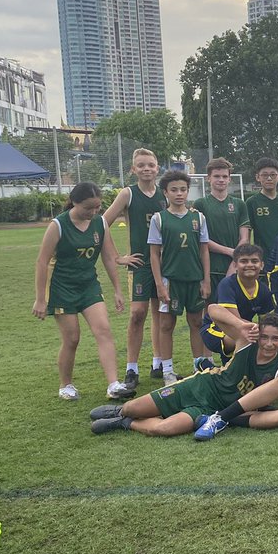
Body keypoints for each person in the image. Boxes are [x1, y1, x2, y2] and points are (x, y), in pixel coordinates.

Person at [89, 312, 278, 437]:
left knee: (163, 429)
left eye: (275, 339)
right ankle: (121, 411)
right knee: (133, 406)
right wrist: (240, 326)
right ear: (258, 334)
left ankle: (124, 422)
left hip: (212, 411)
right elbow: (212, 311)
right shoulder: (246, 342)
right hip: (201, 386)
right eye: (264, 337)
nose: (269, 344)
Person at [33, 182, 134, 401]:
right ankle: (65, 385)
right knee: (72, 339)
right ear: (75, 202)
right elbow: (41, 262)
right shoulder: (58, 226)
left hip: (89, 286)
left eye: (97, 207)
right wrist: (40, 299)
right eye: (89, 207)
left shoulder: (100, 224)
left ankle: (113, 385)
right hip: (62, 289)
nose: (94, 212)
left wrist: (118, 290)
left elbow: (108, 257)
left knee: (104, 331)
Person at [102, 147, 166, 387]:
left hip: (163, 263)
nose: (146, 169)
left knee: (162, 313)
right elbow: (102, 223)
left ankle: (158, 362)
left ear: (157, 167)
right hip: (139, 263)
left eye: (150, 164)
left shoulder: (165, 194)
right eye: (141, 165)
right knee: (138, 314)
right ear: (133, 169)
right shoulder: (128, 194)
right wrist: (119, 257)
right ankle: (131, 368)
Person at [148, 170, 211, 385]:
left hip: (194, 279)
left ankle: (198, 367)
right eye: (174, 190)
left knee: (196, 321)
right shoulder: (159, 219)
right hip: (170, 280)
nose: (179, 194)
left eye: (183, 189)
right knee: (166, 325)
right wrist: (159, 284)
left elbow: (204, 250)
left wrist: (206, 279)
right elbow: (154, 254)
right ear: (165, 192)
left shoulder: (198, 217)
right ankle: (168, 371)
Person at [200, 243, 274, 362]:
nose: (249, 265)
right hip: (215, 329)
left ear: (262, 265)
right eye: (244, 261)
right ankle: (212, 366)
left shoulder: (264, 289)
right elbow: (233, 319)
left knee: (267, 338)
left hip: (244, 329)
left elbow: (268, 320)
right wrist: (258, 329)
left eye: (254, 261)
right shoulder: (227, 284)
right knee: (248, 338)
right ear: (235, 265)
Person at [193, 157, 249, 288]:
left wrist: (235, 259)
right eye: (216, 176)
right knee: (210, 305)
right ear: (209, 178)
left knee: (234, 305)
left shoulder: (239, 204)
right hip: (210, 266)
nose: (221, 180)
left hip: (235, 265)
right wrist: (230, 251)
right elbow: (200, 239)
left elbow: (245, 238)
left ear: (230, 179)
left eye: (225, 176)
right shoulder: (200, 204)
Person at [245, 157, 278, 274]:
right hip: (264, 258)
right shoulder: (252, 202)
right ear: (258, 177)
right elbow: (248, 233)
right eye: (264, 175)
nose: (269, 178)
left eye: (273, 175)